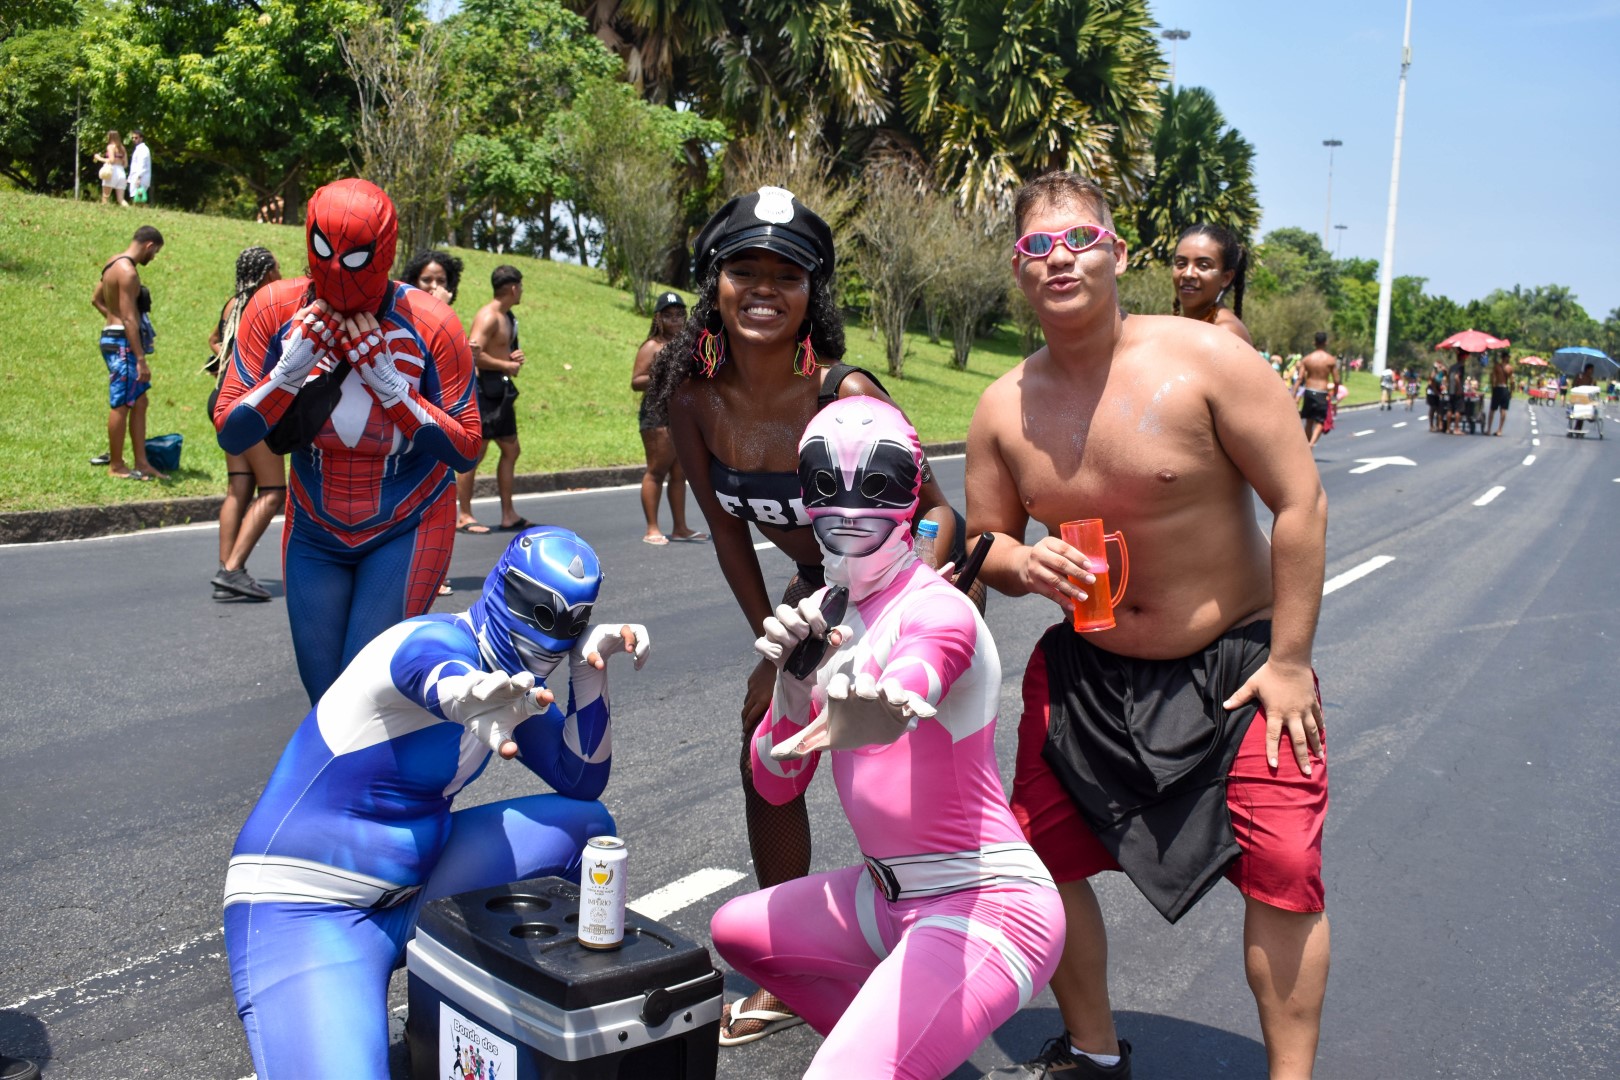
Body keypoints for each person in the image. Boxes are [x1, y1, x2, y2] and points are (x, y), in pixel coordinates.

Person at [967, 173, 1329, 1080]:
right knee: (1035, 857)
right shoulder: (1002, 408)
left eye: (1078, 239)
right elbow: (984, 543)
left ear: (1118, 253)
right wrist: (1021, 563)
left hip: (1241, 668)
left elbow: (1300, 501)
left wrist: (1291, 661)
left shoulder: (1206, 363)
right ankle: (1092, 1048)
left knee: (1284, 870)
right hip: (1090, 673)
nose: (1059, 259)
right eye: (1035, 248)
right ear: (1019, 273)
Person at [647, 185, 966, 1045]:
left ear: (810, 293)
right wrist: (774, 647)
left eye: (784, 275)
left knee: (892, 777)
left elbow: (941, 514)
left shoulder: (844, 389)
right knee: (767, 745)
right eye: (742, 269)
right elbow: (725, 531)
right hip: (815, 596)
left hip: (905, 588)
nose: (762, 288)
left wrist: (899, 612)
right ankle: (787, 966)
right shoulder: (692, 396)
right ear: (714, 283)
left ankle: (930, 938)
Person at [711, 397, 1063, 1079]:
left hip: (984, 906)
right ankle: (891, 1049)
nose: (848, 506)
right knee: (737, 931)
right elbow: (773, 784)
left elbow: (922, 668)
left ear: (911, 491)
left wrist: (887, 700)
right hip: (883, 899)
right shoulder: (822, 613)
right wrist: (789, 690)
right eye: (825, 483)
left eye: (875, 484)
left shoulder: (936, 606)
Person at [223, 526, 650, 1079]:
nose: (555, 636)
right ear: (505, 590)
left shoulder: (512, 688)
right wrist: (463, 696)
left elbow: (582, 780)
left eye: (572, 622)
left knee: (586, 829)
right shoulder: (433, 644)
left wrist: (587, 671)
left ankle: (481, 1020)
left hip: (420, 884)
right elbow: (430, 672)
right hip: (308, 906)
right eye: (543, 616)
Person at [215, 178, 481, 702]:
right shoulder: (274, 309)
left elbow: (467, 445)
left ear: (382, 253)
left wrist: (391, 386)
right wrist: (288, 374)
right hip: (316, 523)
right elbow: (232, 427)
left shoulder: (431, 323)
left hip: (408, 519)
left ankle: (396, 783)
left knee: (364, 694)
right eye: (324, 251)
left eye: (354, 256)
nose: (336, 271)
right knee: (325, 697)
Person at [207, 247, 286, 601]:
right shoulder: (267, 304)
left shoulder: (233, 304)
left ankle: (227, 569)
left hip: (222, 397)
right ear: (267, 273)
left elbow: (214, 340)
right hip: (251, 403)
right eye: (278, 269)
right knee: (273, 492)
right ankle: (233, 569)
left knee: (239, 485)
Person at [403, 249, 469, 596]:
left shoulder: (447, 321)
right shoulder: (402, 316)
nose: (433, 286)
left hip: (442, 426)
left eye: (441, 281)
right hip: (405, 424)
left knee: (441, 500)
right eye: (426, 279)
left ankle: (436, 573)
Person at [455, 266, 529, 535]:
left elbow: (499, 351)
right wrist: (504, 365)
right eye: (520, 286)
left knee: (511, 449)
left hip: (501, 392)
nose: (521, 291)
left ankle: (508, 514)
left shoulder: (507, 316)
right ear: (513, 288)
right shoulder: (488, 317)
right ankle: (464, 515)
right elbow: (471, 352)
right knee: (476, 453)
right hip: (484, 391)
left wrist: (513, 358)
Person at [89, 225, 166, 480]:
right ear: (149, 246)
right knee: (122, 402)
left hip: (113, 337)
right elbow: (131, 319)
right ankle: (117, 465)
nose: (153, 258)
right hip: (123, 343)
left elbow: (96, 299)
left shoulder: (112, 263)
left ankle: (142, 462)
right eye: (155, 253)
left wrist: (112, 321)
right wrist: (141, 359)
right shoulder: (129, 273)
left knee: (140, 400)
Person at [632, 292, 707, 546]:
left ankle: (680, 528)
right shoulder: (652, 346)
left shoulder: (685, 344)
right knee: (656, 470)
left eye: (679, 315)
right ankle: (652, 528)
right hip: (656, 415)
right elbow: (636, 380)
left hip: (679, 415)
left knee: (679, 472)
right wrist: (665, 375)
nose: (675, 321)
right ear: (658, 318)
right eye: (669, 316)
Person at [1169, 223, 1252, 344]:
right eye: (1181, 263)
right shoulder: (1179, 325)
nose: (1188, 273)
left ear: (1226, 278)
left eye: (1203, 266)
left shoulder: (1225, 331)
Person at [1297, 332, 1338, 447]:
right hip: (1321, 392)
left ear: (1314, 343)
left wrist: (1294, 394)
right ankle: (1311, 443)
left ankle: (1306, 445)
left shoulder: (1307, 359)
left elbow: (1300, 378)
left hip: (1309, 391)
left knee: (1309, 421)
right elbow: (1336, 380)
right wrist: (1334, 395)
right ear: (1326, 343)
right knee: (1320, 421)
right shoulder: (1330, 360)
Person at [92, 131, 127, 206]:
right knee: (121, 199)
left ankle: (103, 213)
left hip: (112, 171)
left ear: (110, 137)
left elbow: (112, 160)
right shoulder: (122, 148)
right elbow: (126, 164)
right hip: (121, 172)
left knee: (105, 196)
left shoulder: (110, 147)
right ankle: (131, 211)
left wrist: (99, 158)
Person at [126, 130, 151, 204]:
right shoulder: (138, 149)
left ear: (141, 138)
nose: (134, 139)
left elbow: (142, 165)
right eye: (133, 138)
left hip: (140, 178)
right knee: (136, 199)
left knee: (139, 200)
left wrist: (139, 178)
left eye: (136, 138)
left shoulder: (143, 149)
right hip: (135, 178)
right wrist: (130, 178)